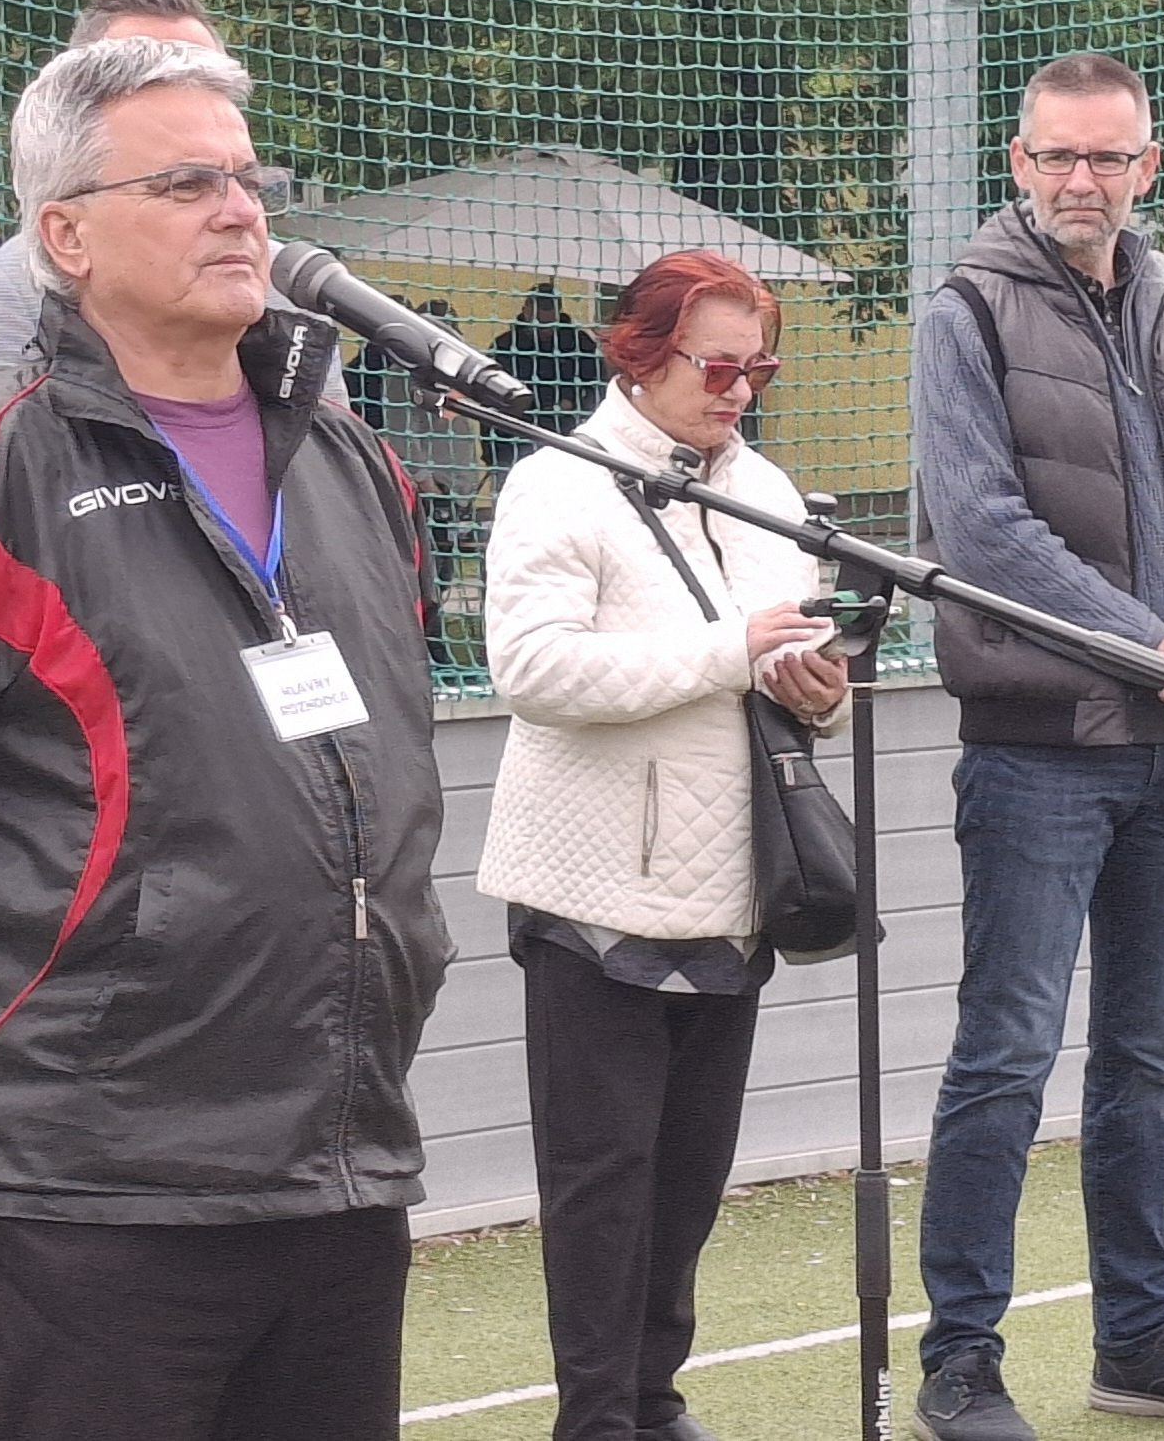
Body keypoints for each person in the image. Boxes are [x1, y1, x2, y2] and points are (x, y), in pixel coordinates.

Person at [0, 36, 452, 1441]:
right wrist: (72, 925)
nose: (239, 211)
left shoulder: (348, 461)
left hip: (337, 1147)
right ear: (64, 235)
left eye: (247, 179)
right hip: (87, 1170)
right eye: (185, 183)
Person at [909, 55, 1164, 1441]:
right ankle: (959, 1359)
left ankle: (1137, 1341)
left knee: (1147, 1058)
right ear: (1017, 162)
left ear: (1146, 164)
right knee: (1004, 1058)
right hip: (1037, 756)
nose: (1081, 180)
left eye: (1106, 158)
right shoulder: (963, 312)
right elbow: (982, 532)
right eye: (1056, 156)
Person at [476, 250, 846, 1441]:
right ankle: (594, 1420)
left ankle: (652, 1398)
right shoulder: (556, 484)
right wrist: (732, 652)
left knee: (687, 1184)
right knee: (600, 1187)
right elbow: (532, 671)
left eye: (757, 369)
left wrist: (816, 691)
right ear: (638, 356)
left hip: (732, 883)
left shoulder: (768, 491)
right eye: (716, 366)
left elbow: (783, 671)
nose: (739, 390)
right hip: (590, 895)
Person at [0, 0, 342, 405]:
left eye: (199, 72)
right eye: (138, 71)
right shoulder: (6, 286)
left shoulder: (285, 282)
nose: (177, 85)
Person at [346, 297, 482, 663]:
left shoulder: (456, 373)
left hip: (454, 488)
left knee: (445, 568)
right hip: (427, 489)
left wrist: (465, 483)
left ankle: (432, 641)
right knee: (421, 569)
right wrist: (425, 481)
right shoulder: (402, 371)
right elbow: (401, 429)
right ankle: (425, 643)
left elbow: (462, 432)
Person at [487, 281, 606, 470]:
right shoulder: (505, 346)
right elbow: (489, 398)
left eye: (549, 323)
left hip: (567, 439)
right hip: (515, 443)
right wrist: (493, 455)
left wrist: (574, 406)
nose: (544, 330)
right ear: (526, 311)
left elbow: (598, 388)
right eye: (539, 322)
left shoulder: (579, 345)